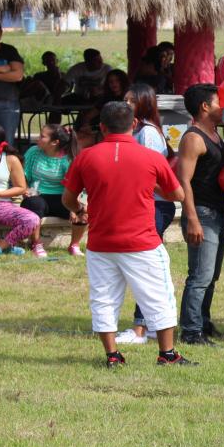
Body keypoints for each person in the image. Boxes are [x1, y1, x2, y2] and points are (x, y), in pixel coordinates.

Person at [61, 101, 193, 368]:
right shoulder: (151, 157)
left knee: (103, 299)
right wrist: (152, 186)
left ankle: (112, 355)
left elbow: (68, 199)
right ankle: (167, 354)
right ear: (134, 124)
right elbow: (177, 194)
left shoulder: (85, 157)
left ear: (102, 127)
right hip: (142, 241)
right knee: (159, 296)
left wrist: (80, 209)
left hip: (101, 242)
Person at [115, 83, 175, 345]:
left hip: (154, 206)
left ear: (144, 103)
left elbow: (149, 173)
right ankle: (150, 324)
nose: (126, 104)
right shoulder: (138, 131)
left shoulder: (148, 133)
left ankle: (141, 328)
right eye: (125, 100)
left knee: (144, 267)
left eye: (131, 101)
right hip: (146, 204)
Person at [176, 84, 224, 345]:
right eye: (220, 102)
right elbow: (184, 181)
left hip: (217, 212)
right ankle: (191, 330)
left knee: (211, 276)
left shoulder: (216, 134)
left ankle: (203, 322)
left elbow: (216, 178)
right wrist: (192, 219)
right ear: (205, 106)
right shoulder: (193, 138)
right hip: (201, 213)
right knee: (200, 275)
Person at [20, 124, 86, 258]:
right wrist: (26, 189)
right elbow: (23, 175)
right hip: (37, 195)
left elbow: (75, 186)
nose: (38, 138)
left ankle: (74, 245)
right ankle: (36, 243)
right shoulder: (33, 151)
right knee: (34, 204)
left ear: (55, 142)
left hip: (62, 197)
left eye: (42, 136)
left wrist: (74, 207)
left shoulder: (68, 159)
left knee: (83, 211)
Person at [0, 124, 38, 259]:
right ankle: (1, 246)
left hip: (2, 204)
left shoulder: (10, 159)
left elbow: (21, 187)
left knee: (32, 219)